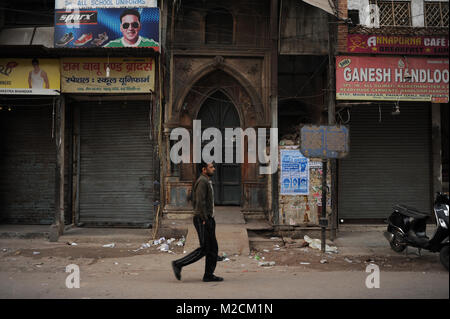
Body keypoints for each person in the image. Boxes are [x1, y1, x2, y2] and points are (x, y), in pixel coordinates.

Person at [171, 162, 224, 282]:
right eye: (211, 167)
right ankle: (178, 264)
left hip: (208, 218)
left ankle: (208, 275)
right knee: (205, 248)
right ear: (204, 170)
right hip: (202, 219)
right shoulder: (202, 181)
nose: (214, 169)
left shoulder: (207, 181)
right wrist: (204, 219)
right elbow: (200, 202)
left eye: (213, 167)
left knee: (213, 249)